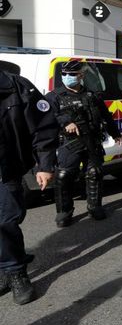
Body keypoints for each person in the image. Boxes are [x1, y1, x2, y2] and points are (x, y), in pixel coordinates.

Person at [0, 69, 58, 304]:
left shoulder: (16, 86)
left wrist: (45, 165)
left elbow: (43, 127)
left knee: (5, 221)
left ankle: (16, 272)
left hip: (5, 169)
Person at [45, 61, 122, 227]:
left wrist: (115, 133)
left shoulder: (92, 95)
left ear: (81, 76)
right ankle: (64, 211)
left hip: (92, 140)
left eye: (72, 75)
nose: (67, 77)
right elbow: (47, 117)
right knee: (64, 176)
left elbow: (106, 116)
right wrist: (66, 122)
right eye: (64, 74)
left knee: (95, 173)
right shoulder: (54, 96)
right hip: (69, 143)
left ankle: (94, 207)